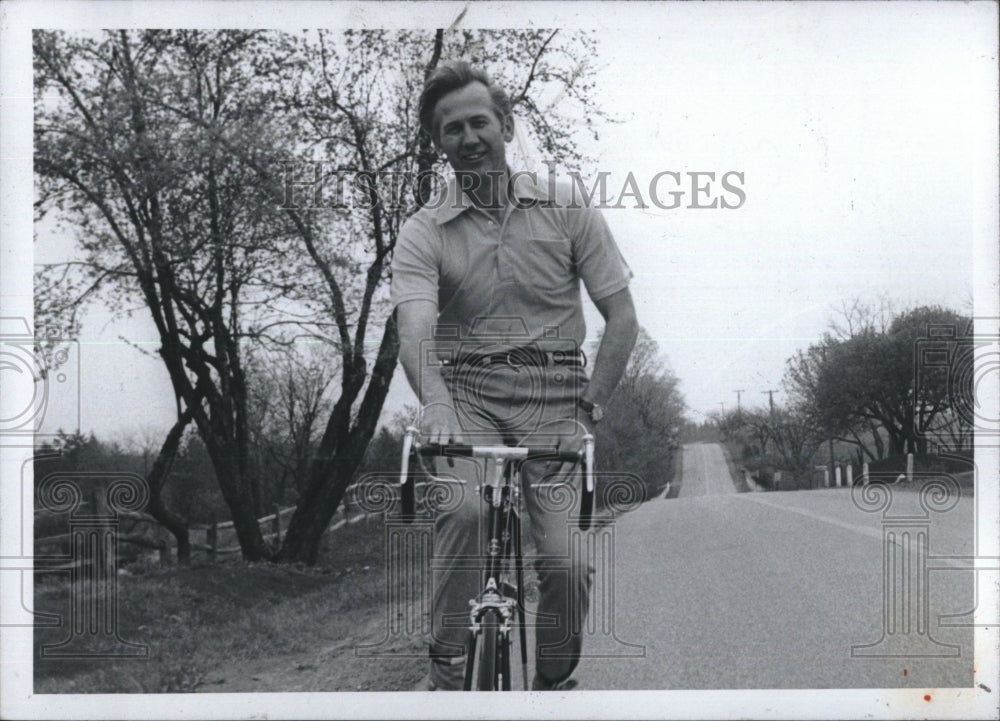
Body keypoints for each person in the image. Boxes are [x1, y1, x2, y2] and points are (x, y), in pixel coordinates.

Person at [392, 60, 638, 691]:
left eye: (480, 122)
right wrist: (438, 405)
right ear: (438, 143)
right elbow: (415, 329)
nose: (469, 137)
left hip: (556, 398)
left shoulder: (566, 204)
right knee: (467, 512)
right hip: (465, 396)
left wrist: (589, 409)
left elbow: (621, 317)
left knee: (567, 562)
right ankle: (447, 671)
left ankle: (552, 685)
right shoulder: (423, 231)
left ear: (505, 125)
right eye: (452, 129)